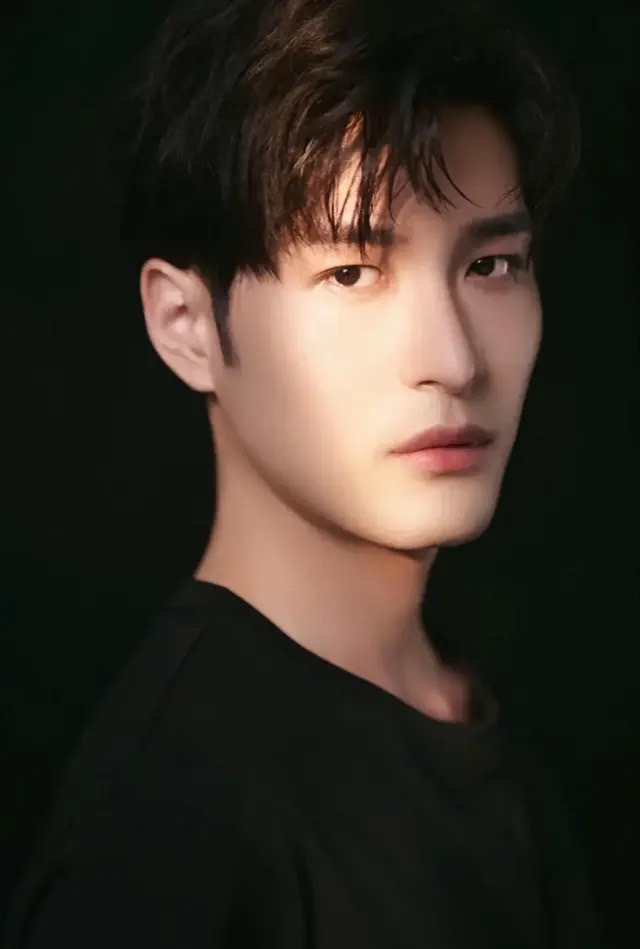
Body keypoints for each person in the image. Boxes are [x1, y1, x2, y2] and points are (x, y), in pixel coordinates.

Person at [4, 0, 601, 946]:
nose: (452, 360)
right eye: (352, 273)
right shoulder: (162, 839)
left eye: (490, 265)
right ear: (187, 326)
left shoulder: (485, 706)